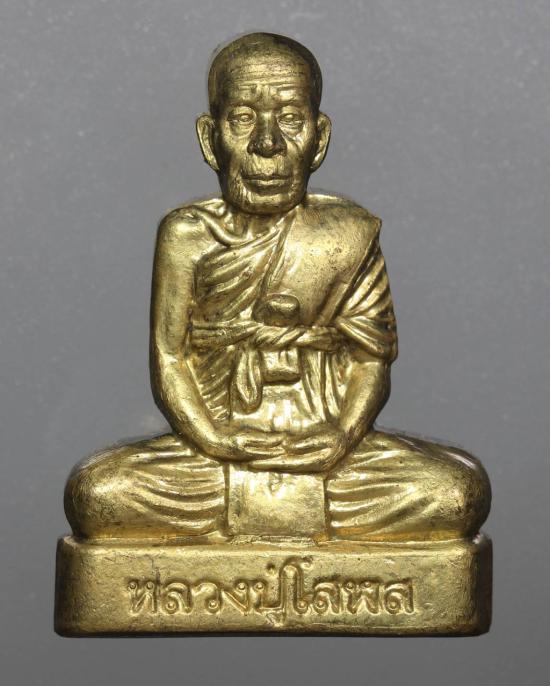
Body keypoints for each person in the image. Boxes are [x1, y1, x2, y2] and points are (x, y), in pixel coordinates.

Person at [64, 32, 490, 543]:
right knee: (98, 493)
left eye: (290, 119)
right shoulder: (187, 236)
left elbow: (369, 361)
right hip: (215, 454)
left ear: (319, 138)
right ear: (210, 139)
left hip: (329, 454)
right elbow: (171, 359)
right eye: (243, 119)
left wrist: (341, 437)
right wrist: (214, 439)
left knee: (456, 491)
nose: (267, 144)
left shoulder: (347, 234)